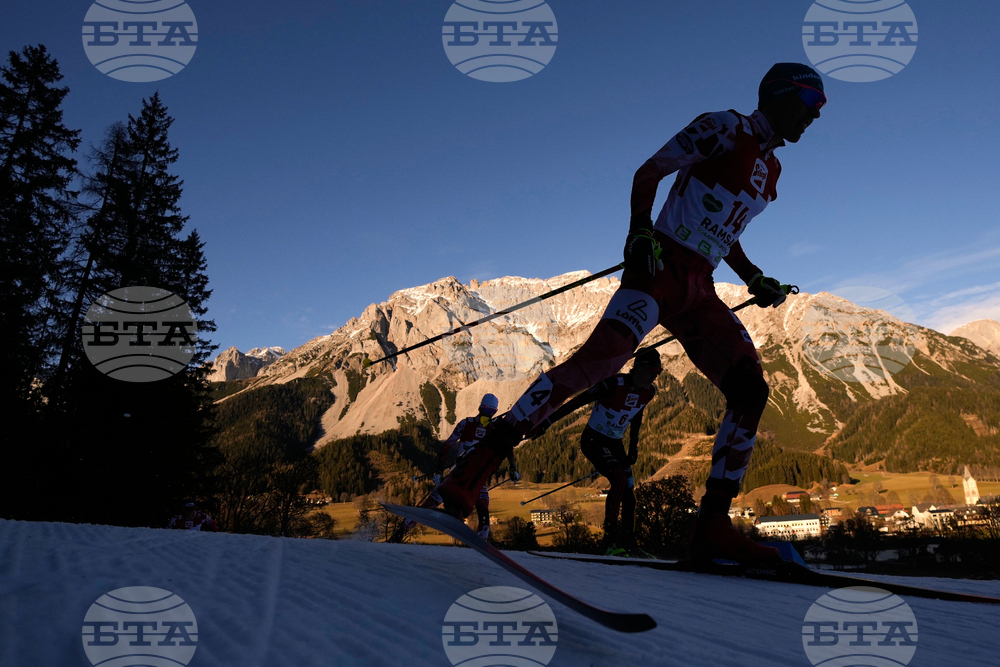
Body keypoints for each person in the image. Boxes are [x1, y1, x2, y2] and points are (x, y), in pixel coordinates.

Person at [438, 62, 825, 562]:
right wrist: (639, 230)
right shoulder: (725, 127)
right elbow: (650, 171)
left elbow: (726, 232)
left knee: (750, 388)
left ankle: (712, 528)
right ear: (779, 95)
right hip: (658, 267)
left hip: (699, 286)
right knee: (593, 366)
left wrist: (753, 277)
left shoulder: (771, 171)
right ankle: (471, 474)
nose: (815, 117)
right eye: (811, 103)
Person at [529, 348, 661, 556]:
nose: (655, 376)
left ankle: (630, 545)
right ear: (639, 367)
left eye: (659, 371)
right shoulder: (613, 384)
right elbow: (577, 402)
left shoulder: (649, 392)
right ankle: (609, 543)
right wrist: (546, 423)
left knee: (629, 493)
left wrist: (633, 445)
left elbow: (637, 414)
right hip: (594, 440)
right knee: (618, 480)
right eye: (653, 370)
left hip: (615, 443)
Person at [392, 393, 518, 541]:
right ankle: (399, 534)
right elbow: (447, 445)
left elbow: (507, 447)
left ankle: (482, 540)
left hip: (475, 477)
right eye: (487, 411)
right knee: (429, 504)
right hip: (459, 474)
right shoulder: (466, 424)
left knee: (483, 508)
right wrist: (439, 470)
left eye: (492, 412)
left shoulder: (494, 429)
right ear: (480, 408)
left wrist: (513, 467)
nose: (489, 414)